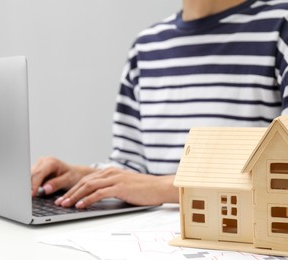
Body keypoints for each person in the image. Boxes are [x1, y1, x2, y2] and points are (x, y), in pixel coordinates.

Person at [31, 0, 288, 209]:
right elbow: (132, 169)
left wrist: (162, 189)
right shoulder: (147, 46)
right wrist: (80, 176)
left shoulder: (280, 25)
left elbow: (280, 172)